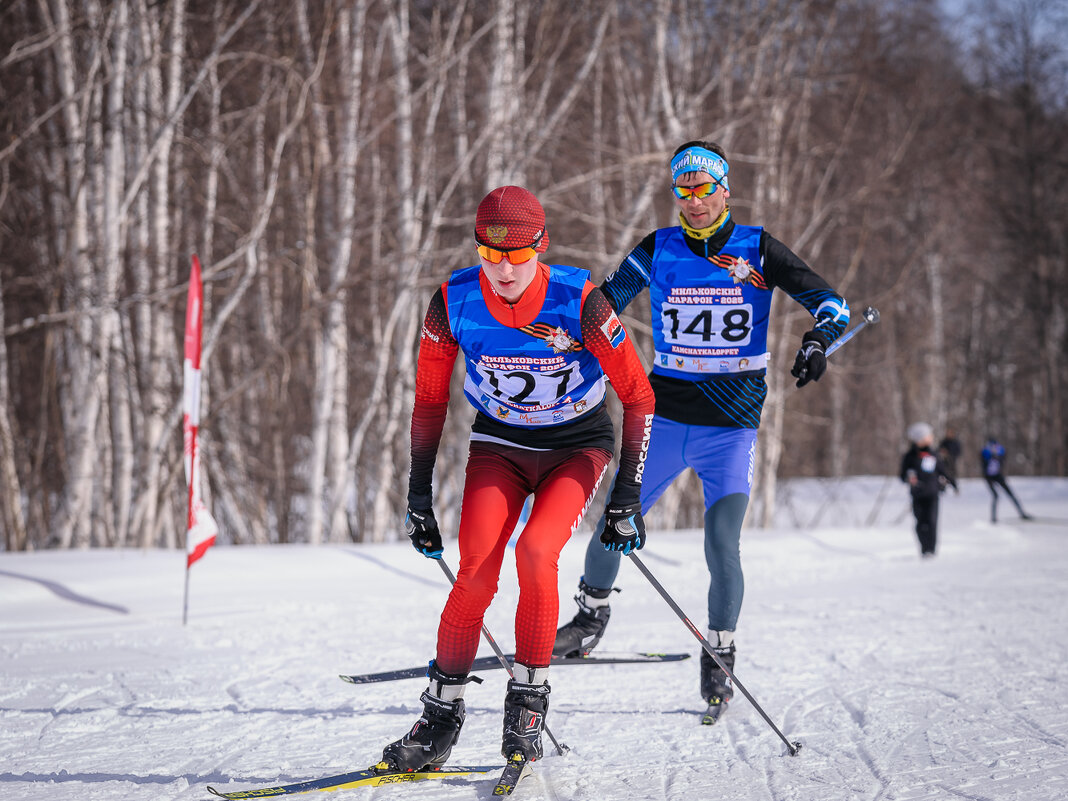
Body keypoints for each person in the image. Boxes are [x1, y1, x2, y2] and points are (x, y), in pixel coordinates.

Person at [553, 140, 850, 720]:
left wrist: (818, 340)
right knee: (617, 516)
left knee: (721, 542)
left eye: (704, 189)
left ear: (725, 189)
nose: (693, 201)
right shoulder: (658, 248)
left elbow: (831, 302)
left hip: (730, 429)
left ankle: (718, 656)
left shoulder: (756, 247)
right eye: (683, 191)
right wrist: (567, 333)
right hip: (664, 418)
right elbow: (606, 305)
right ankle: (590, 619)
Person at [377, 186, 655, 773]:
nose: (502, 269)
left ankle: (527, 702)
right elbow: (429, 402)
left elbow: (638, 395)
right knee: (474, 577)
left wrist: (627, 495)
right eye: (488, 254)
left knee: (535, 553)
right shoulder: (451, 302)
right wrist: (417, 495)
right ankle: (440, 717)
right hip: (500, 446)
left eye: (517, 255)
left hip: (576, 448)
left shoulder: (582, 300)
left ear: (540, 246)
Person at [900, 422, 957, 557]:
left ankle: (931, 550)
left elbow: (943, 471)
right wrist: (909, 478)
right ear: (920, 438)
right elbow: (902, 475)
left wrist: (953, 484)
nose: (931, 438)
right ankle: (924, 549)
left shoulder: (934, 454)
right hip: (917, 495)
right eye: (928, 435)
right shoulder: (910, 456)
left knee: (932, 522)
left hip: (932, 493)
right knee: (920, 523)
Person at [980, 436, 1032, 522]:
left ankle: (1022, 513)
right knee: (995, 496)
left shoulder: (999, 451)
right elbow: (983, 460)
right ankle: (993, 518)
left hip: (998, 475)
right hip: (988, 477)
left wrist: (998, 456)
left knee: (1010, 494)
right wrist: (991, 455)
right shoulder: (985, 452)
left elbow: (1003, 456)